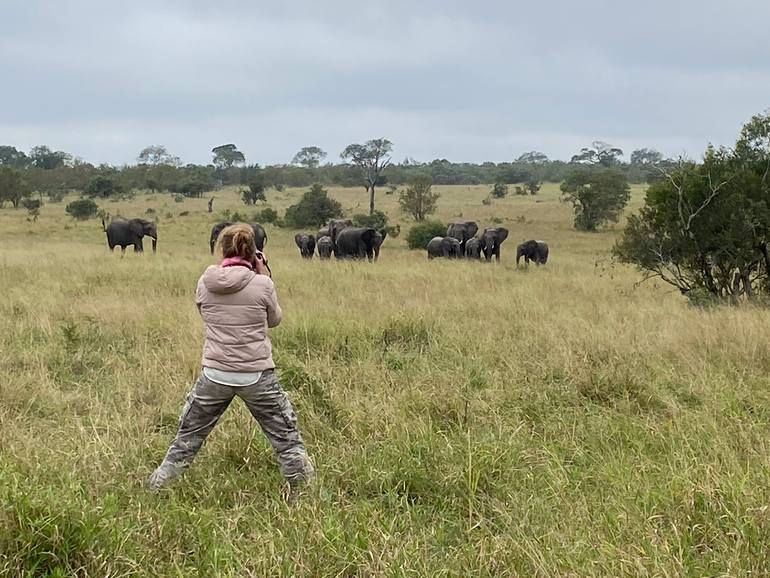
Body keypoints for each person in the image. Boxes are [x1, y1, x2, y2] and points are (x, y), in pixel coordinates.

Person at [149, 223, 314, 498]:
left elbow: (205, 312)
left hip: (215, 373)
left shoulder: (205, 282)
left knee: (187, 439)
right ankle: (305, 493)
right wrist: (262, 275)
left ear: (222, 250)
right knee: (286, 440)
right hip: (256, 375)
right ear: (254, 252)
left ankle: (157, 487)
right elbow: (274, 320)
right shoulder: (262, 284)